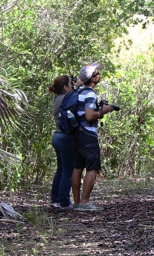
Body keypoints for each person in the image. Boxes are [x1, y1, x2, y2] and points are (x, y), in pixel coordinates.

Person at [71, 62, 114, 211]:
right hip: (87, 135)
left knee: (77, 167)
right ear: (93, 78)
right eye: (98, 73)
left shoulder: (78, 92)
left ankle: (76, 202)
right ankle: (84, 203)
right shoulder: (89, 93)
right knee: (92, 167)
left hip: (77, 134)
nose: (100, 74)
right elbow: (90, 116)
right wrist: (104, 111)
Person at [48, 75, 75, 210]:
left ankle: (55, 200)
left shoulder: (57, 98)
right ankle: (64, 202)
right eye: (70, 84)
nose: (72, 86)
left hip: (57, 136)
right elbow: (76, 97)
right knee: (67, 172)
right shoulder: (66, 98)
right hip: (65, 138)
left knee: (60, 170)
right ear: (65, 87)